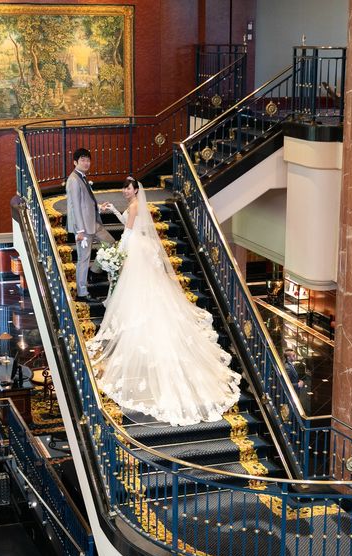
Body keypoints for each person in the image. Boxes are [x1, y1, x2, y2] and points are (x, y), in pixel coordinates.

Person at [87, 177, 241, 426]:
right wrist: (114, 210)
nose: (125, 191)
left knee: (136, 291)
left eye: (128, 188)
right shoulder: (135, 206)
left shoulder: (135, 206)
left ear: (135, 190)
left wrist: (116, 254)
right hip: (140, 246)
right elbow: (128, 224)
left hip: (134, 249)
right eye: (124, 188)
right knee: (144, 290)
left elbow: (128, 232)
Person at [65, 148, 114, 302]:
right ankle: (82, 292)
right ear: (75, 162)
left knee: (110, 242)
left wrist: (98, 207)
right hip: (83, 227)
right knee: (83, 259)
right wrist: (79, 230)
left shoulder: (82, 177)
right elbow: (75, 207)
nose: (86, 163)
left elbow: (86, 202)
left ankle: (94, 271)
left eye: (88, 160)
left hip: (93, 222)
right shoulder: (74, 180)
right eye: (83, 160)